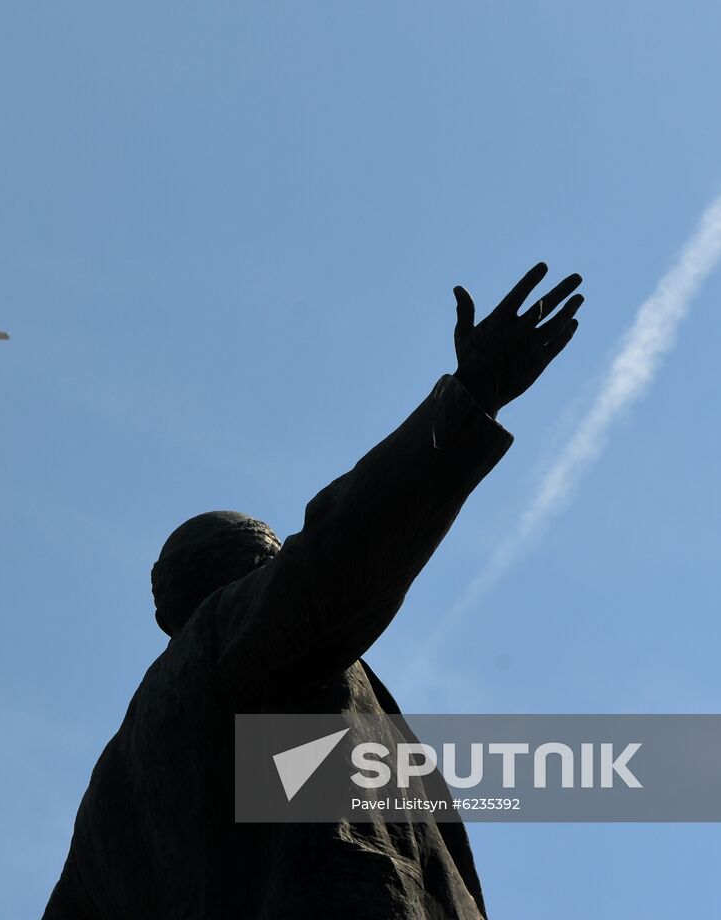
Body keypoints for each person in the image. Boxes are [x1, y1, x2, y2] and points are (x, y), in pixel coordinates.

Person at [44, 263, 586, 919]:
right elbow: (341, 553)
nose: (282, 571)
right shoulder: (240, 638)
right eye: (272, 562)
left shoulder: (111, 798)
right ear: (244, 574)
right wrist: (471, 398)